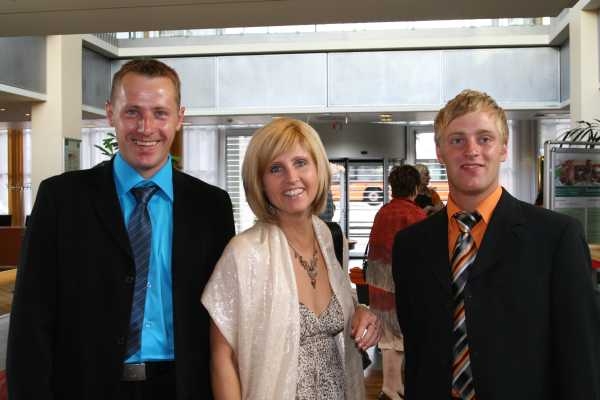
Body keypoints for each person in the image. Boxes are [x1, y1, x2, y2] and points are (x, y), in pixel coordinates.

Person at [6, 59, 235, 399]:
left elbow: (226, 316)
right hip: (85, 387)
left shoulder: (211, 207)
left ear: (179, 117)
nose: (146, 127)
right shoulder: (61, 199)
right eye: (132, 112)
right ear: (110, 113)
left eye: (160, 113)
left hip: (183, 387)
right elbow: (31, 319)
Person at [392, 89, 600, 400]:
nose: (471, 150)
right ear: (439, 151)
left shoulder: (556, 237)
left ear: (503, 148)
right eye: (457, 140)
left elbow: (581, 358)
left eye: (485, 139)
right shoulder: (410, 246)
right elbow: (417, 348)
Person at [201, 118, 381, 399]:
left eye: (300, 163)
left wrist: (359, 313)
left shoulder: (327, 238)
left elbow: (343, 305)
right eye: (276, 168)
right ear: (260, 182)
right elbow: (222, 359)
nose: (291, 177)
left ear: (318, 169)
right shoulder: (245, 253)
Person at [365, 165, 426, 400]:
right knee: (404, 336)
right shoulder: (415, 215)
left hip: (378, 287)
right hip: (403, 287)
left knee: (388, 338)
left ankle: (391, 387)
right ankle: (395, 388)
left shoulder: (383, 212)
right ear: (416, 187)